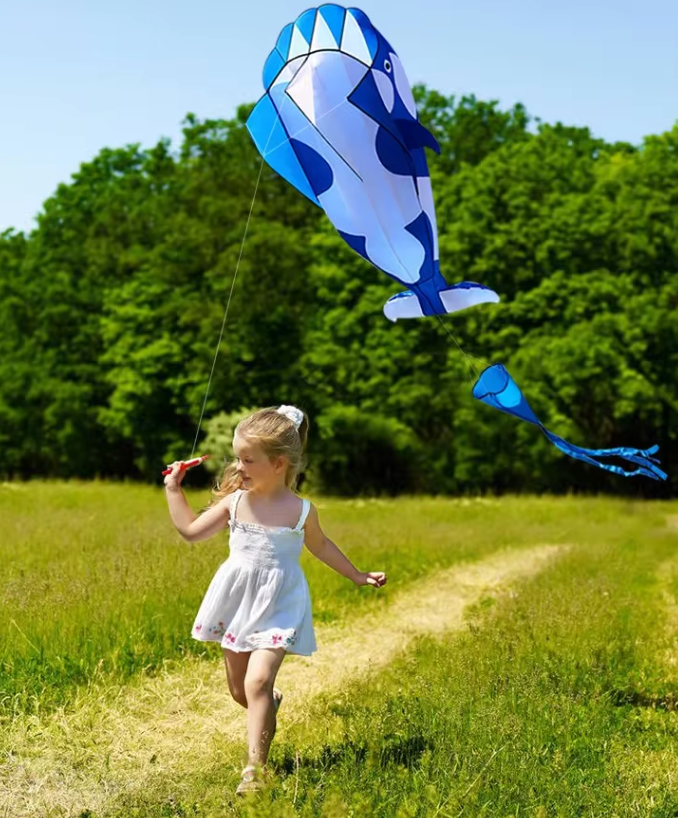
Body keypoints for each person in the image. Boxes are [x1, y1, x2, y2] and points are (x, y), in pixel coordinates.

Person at [164, 405, 387, 795]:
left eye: (248, 459)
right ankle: (268, 704)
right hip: (237, 604)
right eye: (238, 457)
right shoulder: (236, 503)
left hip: (280, 604)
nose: (239, 466)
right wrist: (173, 488)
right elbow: (190, 531)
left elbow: (321, 546)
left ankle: (254, 770)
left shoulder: (301, 511)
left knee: (258, 681)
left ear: (280, 463)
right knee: (242, 691)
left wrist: (357, 574)